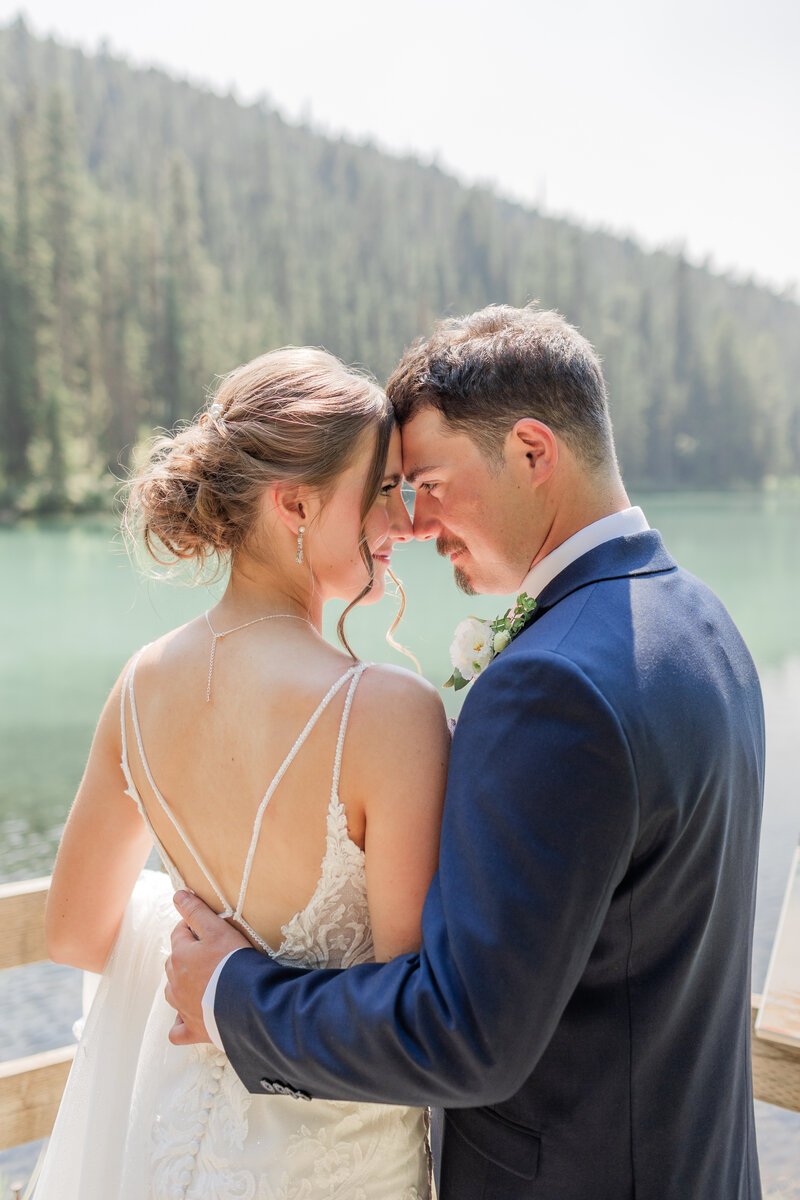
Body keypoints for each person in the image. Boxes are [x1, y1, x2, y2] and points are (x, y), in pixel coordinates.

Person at [167, 306, 766, 1200]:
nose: (411, 525)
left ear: (531, 451)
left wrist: (230, 995)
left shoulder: (551, 687)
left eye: (428, 483)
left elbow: (463, 1032)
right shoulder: (701, 623)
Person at [39, 347, 450, 1199]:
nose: (404, 523)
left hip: (177, 1145)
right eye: (381, 491)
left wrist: (206, 947)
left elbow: (75, 932)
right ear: (294, 503)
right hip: (342, 1160)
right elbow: (414, 1013)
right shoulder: (387, 713)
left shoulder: (141, 682)